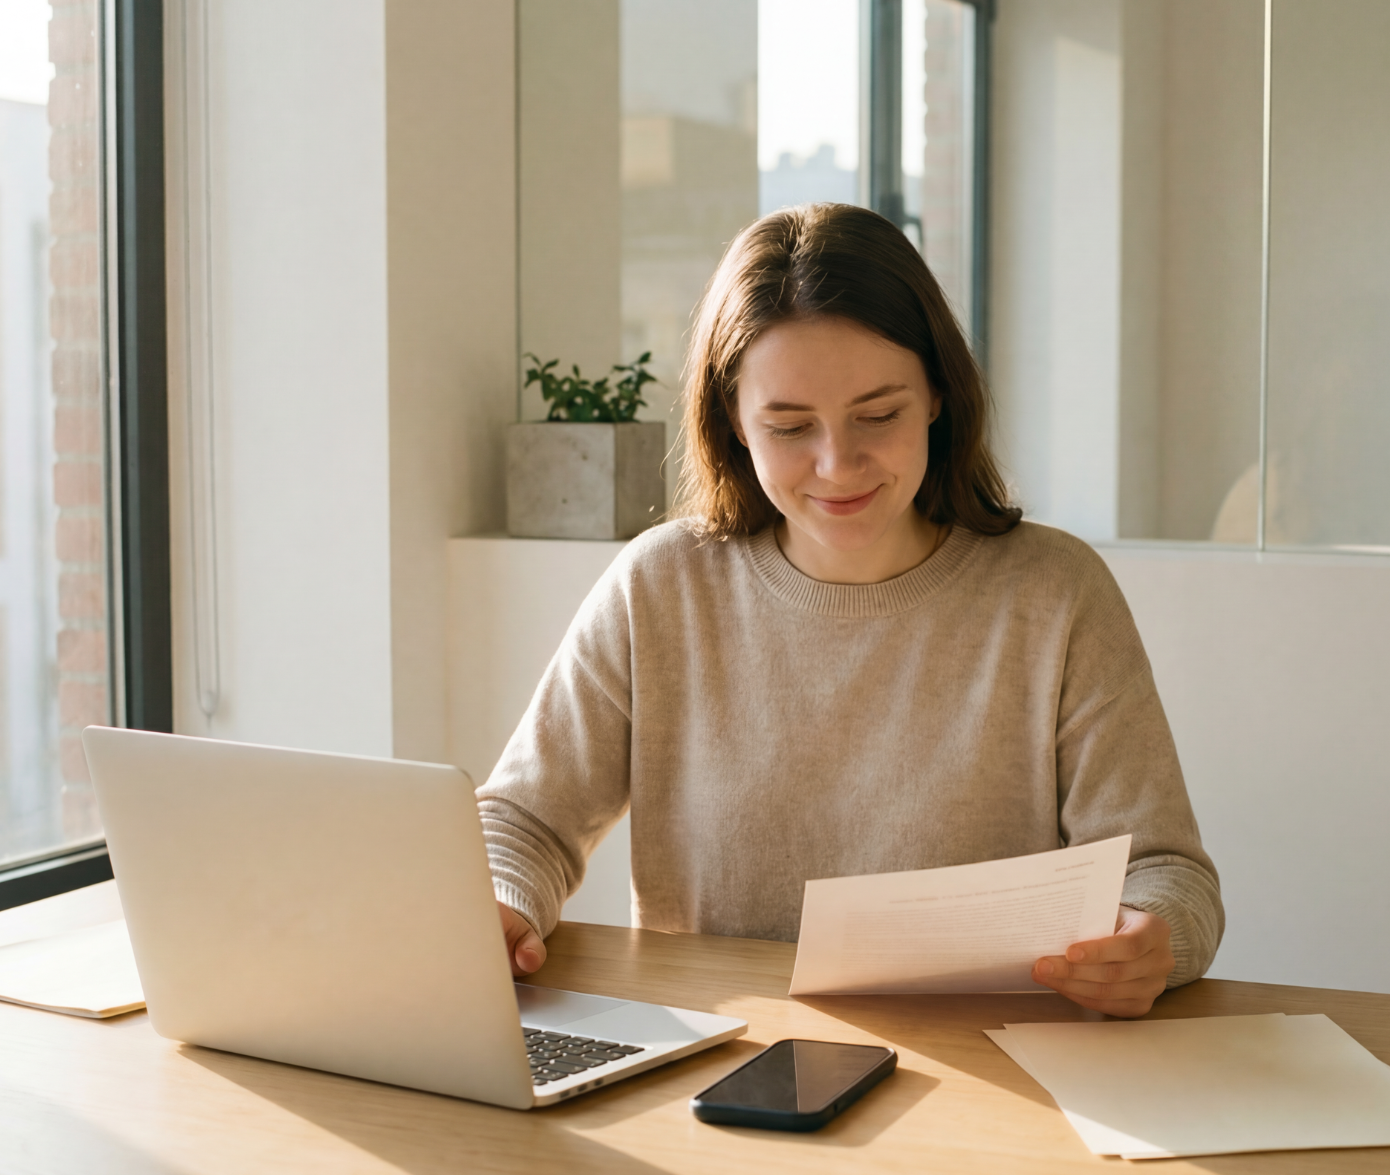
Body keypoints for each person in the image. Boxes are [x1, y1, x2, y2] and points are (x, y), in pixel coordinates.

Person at [478, 204, 1223, 1018]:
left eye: (879, 415)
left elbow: (1165, 873)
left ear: (938, 393)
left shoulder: (1054, 592)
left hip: (990, 1069)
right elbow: (521, 823)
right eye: (790, 426)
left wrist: (1153, 939)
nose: (838, 464)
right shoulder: (660, 587)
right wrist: (498, 904)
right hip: (717, 1056)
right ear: (734, 421)